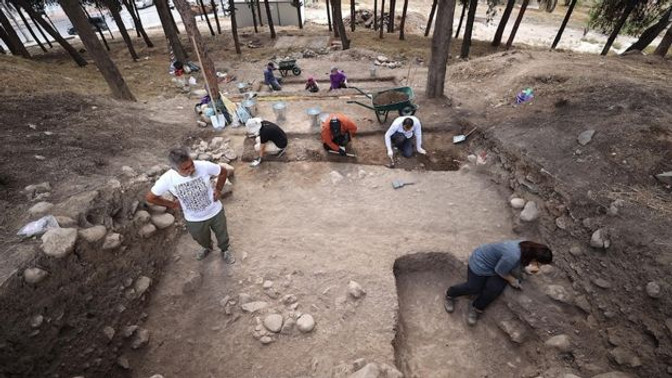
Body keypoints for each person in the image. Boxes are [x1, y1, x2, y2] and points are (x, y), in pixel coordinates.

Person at [146, 148, 236, 264]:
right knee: (200, 238)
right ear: (175, 169)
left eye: (191, 164)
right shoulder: (167, 179)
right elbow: (150, 197)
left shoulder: (203, 166)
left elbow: (223, 171)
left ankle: (225, 250)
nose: (192, 169)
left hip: (215, 211)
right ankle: (207, 247)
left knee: (222, 234)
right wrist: (171, 204)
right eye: (186, 169)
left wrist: (218, 189)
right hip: (194, 218)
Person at [444, 240, 552, 326]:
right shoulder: (513, 255)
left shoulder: (527, 247)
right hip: (481, 263)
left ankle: (476, 308)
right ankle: (450, 294)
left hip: (497, 265)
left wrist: (524, 269)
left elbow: (511, 265)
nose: (539, 266)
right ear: (534, 257)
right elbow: (500, 271)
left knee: (494, 289)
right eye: (538, 263)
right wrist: (513, 280)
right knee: (474, 287)